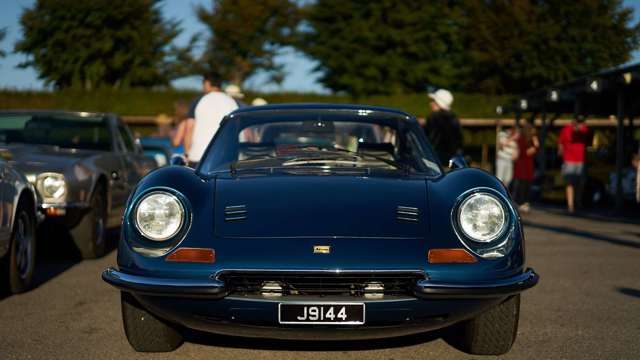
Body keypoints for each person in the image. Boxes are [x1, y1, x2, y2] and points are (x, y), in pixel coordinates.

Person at [188, 77, 238, 165]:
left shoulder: (199, 101)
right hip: (225, 156)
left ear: (207, 83)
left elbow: (189, 127)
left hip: (198, 155)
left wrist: (187, 152)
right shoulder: (232, 102)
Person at [558, 114, 590, 213]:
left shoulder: (585, 130)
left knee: (580, 183)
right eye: (578, 122)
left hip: (581, 160)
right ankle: (570, 205)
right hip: (569, 160)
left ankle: (578, 201)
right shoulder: (566, 129)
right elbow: (560, 142)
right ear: (574, 121)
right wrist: (561, 154)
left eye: (582, 122)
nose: (580, 124)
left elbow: (589, 142)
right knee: (570, 183)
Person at [424, 89, 463, 165]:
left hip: (435, 161)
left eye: (433, 101)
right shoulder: (453, 117)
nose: (431, 104)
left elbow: (429, 142)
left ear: (439, 103)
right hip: (451, 161)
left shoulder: (434, 117)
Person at [512, 120, 539, 213]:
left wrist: (535, 142)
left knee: (528, 183)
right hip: (522, 164)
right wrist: (534, 148)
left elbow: (536, 149)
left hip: (529, 165)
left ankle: (525, 202)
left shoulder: (531, 139)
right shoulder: (522, 139)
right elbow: (525, 152)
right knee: (522, 184)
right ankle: (521, 202)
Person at [495, 119, 519, 188]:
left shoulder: (514, 138)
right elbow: (503, 144)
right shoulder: (502, 134)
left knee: (508, 179)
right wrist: (513, 138)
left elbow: (516, 148)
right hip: (502, 159)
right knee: (500, 179)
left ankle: (505, 194)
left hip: (510, 160)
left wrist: (516, 153)